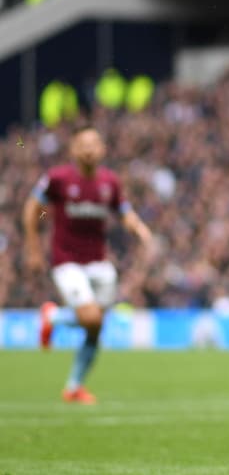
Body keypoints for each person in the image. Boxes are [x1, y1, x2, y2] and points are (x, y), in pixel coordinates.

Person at [22, 125, 154, 403]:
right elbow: (32, 208)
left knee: (95, 326)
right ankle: (53, 317)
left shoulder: (110, 182)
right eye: (83, 144)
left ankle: (73, 387)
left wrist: (139, 229)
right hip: (66, 260)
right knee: (91, 318)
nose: (89, 149)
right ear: (73, 150)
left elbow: (124, 211)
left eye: (94, 144)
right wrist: (33, 248)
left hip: (99, 263)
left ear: (103, 149)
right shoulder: (58, 178)